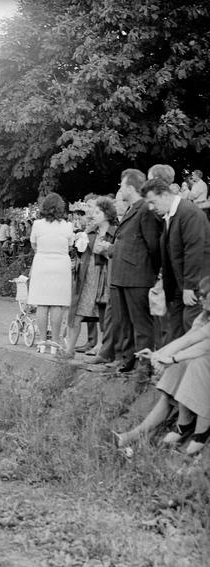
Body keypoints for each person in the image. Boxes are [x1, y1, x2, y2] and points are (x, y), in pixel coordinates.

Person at [113, 276, 210, 457]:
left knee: (194, 364)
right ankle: (134, 436)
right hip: (201, 360)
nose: (201, 299)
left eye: (205, 295)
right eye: (201, 294)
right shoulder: (204, 316)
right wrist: (158, 355)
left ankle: (195, 432)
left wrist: (171, 358)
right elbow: (188, 339)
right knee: (179, 368)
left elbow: (203, 346)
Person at [142, 177, 210, 341]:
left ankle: (195, 366)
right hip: (181, 287)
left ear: (165, 194)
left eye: (153, 202)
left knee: (192, 329)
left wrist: (189, 286)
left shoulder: (189, 213)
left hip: (196, 287)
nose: (151, 208)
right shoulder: (171, 215)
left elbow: (194, 252)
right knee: (176, 330)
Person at [109, 168, 162, 373]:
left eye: (122, 185)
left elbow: (153, 245)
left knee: (141, 323)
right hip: (124, 275)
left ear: (130, 187)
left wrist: (152, 271)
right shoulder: (133, 208)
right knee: (125, 322)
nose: (120, 189)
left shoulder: (145, 210)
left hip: (138, 275)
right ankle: (128, 358)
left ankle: (144, 364)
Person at [65, 197, 117, 357]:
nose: (93, 215)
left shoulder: (115, 232)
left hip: (105, 277)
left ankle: (102, 348)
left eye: (97, 212)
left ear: (106, 214)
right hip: (87, 277)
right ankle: (68, 350)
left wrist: (106, 251)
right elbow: (80, 253)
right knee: (76, 313)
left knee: (104, 315)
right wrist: (79, 242)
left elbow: (117, 256)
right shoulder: (90, 231)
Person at [27, 192, 75, 348]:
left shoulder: (37, 225)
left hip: (42, 263)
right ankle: (55, 340)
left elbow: (34, 244)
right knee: (57, 303)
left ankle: (42, 340)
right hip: (61, 265)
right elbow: (70, 245)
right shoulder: (67, 226)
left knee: (42, 303)